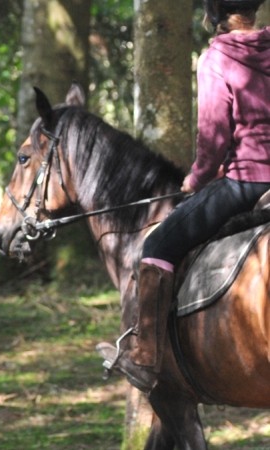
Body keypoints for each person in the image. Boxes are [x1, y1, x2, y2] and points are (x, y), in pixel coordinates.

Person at [103, 0, 270, 392]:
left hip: (246, 182)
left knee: (158, 244)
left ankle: (145, 355)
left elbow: (213, 142)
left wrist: (195, 179)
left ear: (213, 13)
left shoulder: (216, 59)